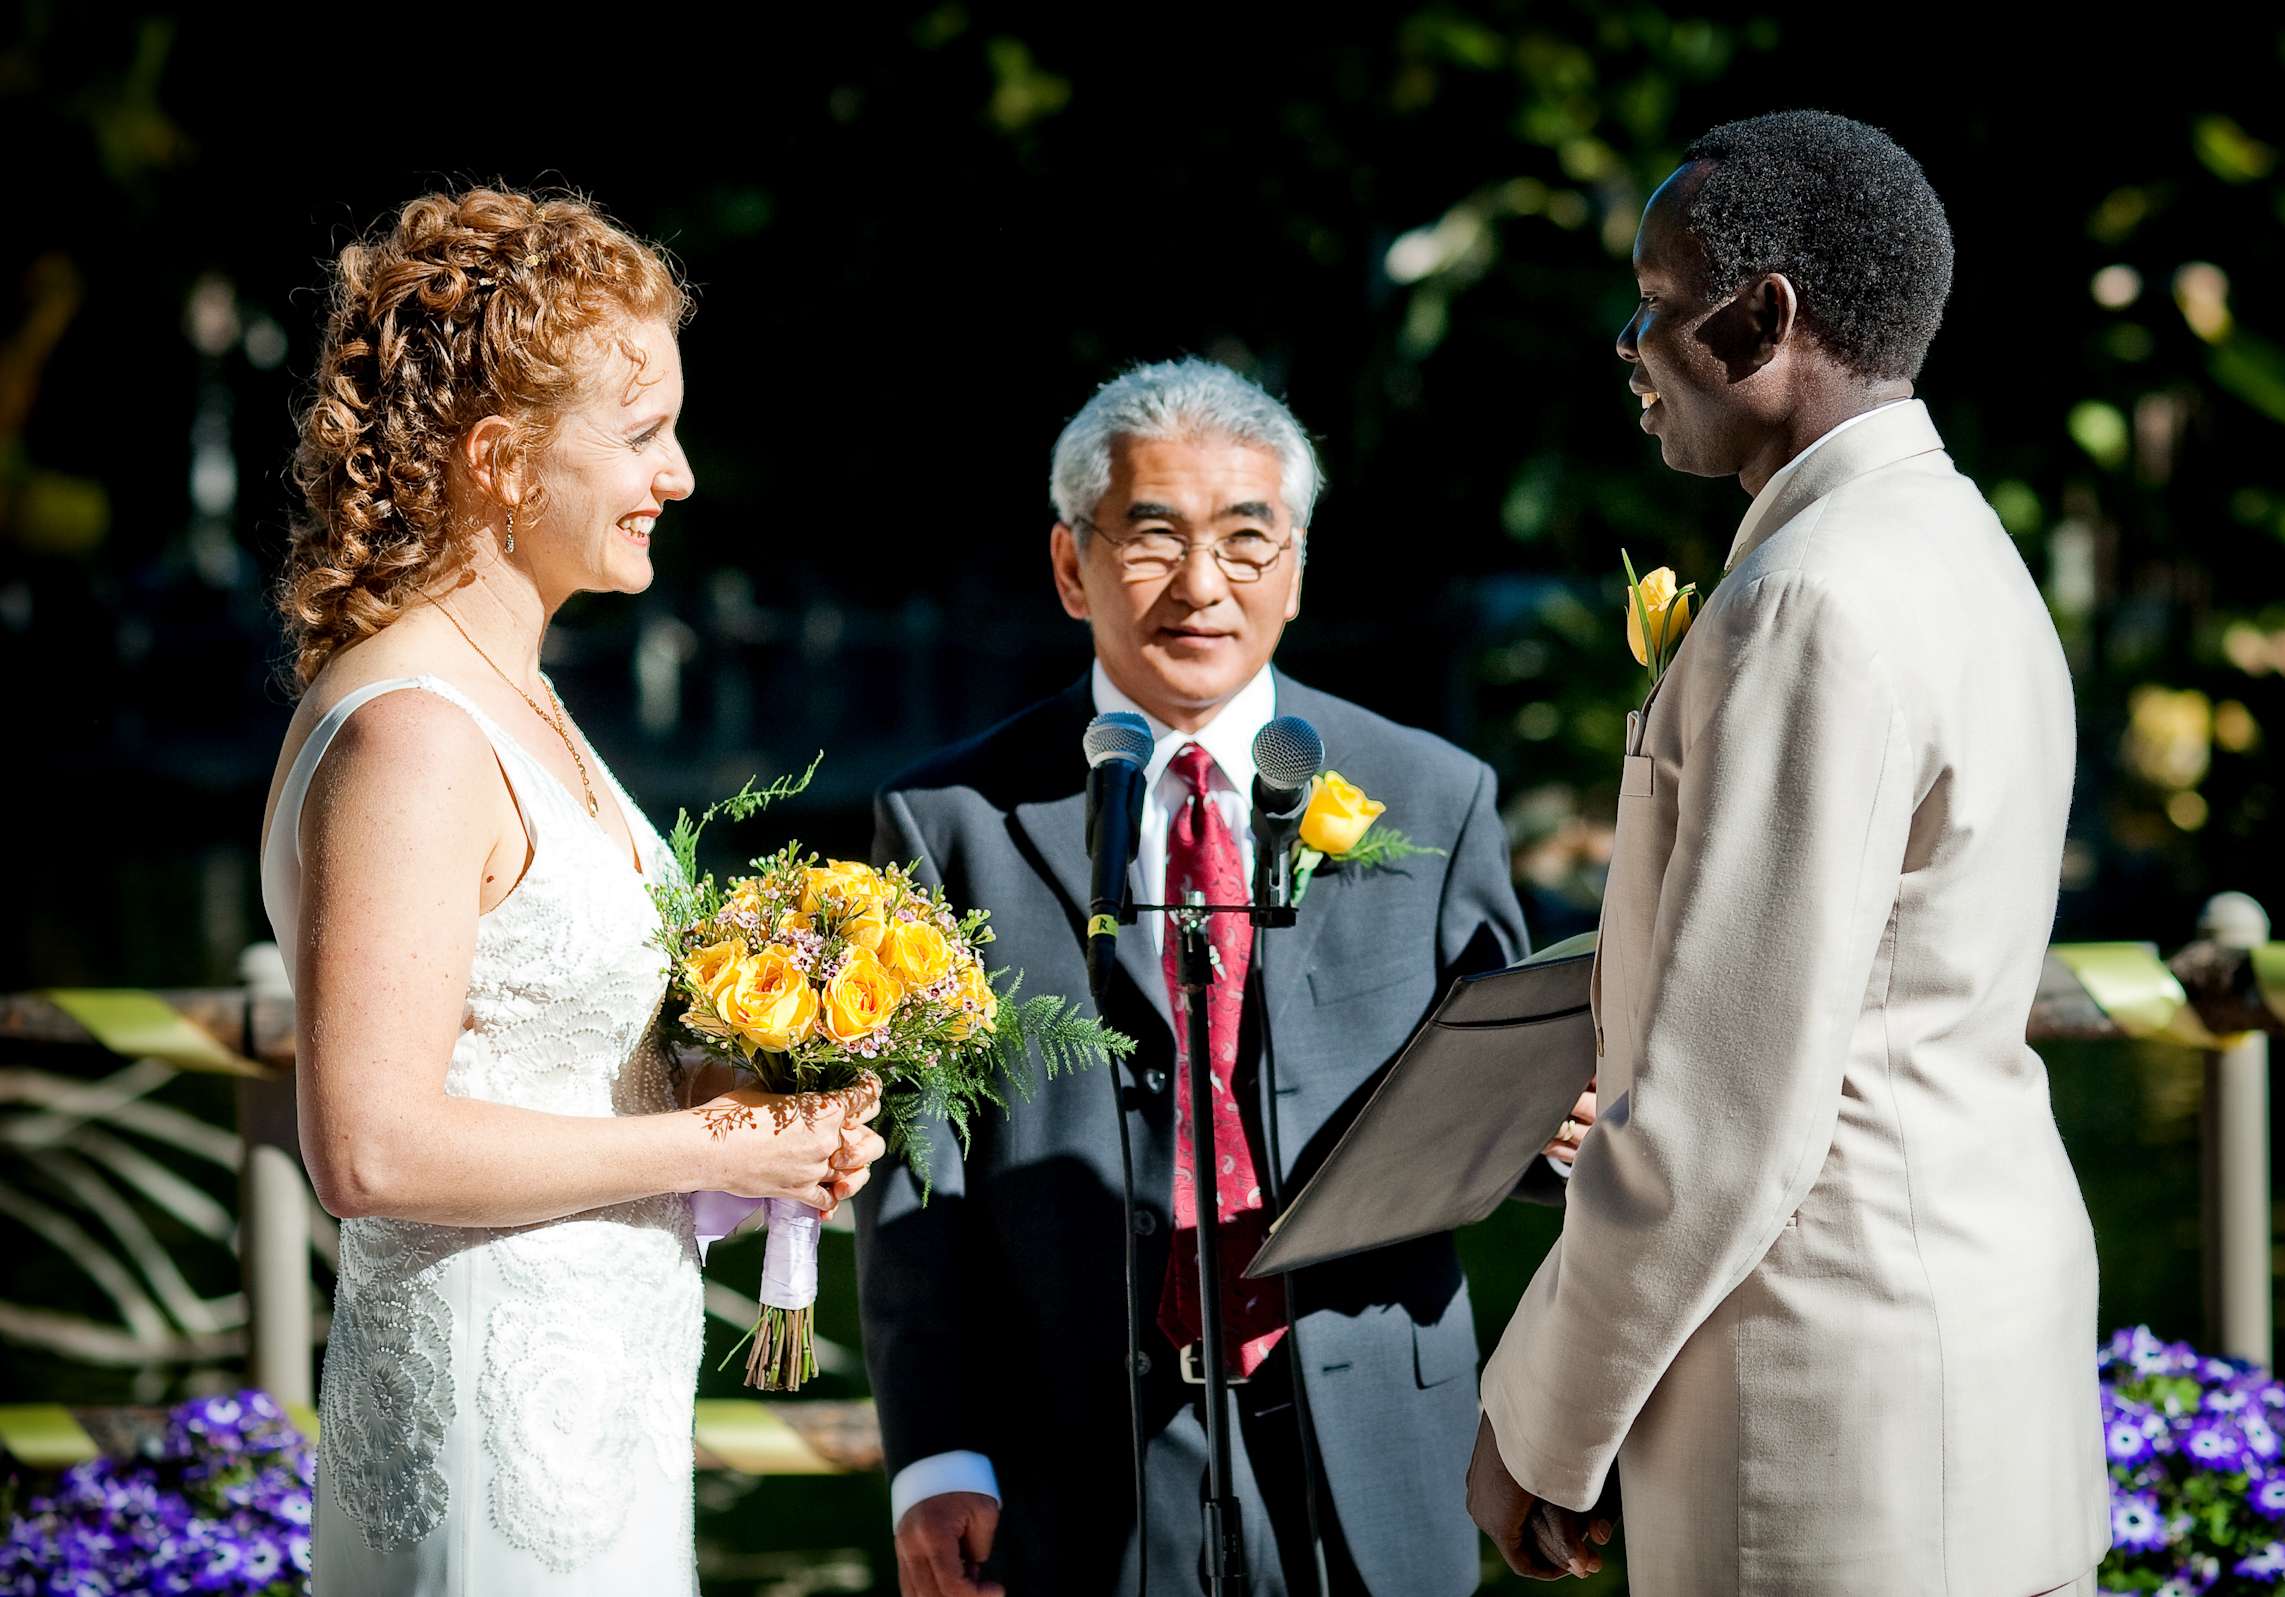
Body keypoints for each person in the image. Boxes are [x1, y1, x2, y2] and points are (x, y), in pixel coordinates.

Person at [1468, 112, 2110, 1596]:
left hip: (1828, 1410)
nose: (1627, 341)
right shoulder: (1959, 544)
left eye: (1654, 296)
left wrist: (1542, 1422)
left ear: (1765, 318)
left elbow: (1721, 1117)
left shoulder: (1811, 598)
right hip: (1971, 1356)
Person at [258, 186, 884, 1594]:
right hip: (489, 1426)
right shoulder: (416, 731)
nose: (681, 475)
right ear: (503, 460)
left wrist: (761, 1102)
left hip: (593, 1408)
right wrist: (716, 1144)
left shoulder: (512, 694)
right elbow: (369, 1148)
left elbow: (544, 1062)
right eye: (643, 433)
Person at [856, 358, 1548, 1596]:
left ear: (1296, 562)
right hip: (1069, 1451)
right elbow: (920, 1170)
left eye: (1246, 538)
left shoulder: (1437, 795)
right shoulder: (949, 821)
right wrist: (936, 1450)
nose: (1201, 585)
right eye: (1154, 537)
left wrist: (1559, 1134)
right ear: (1072, 565)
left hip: (1377, 1440)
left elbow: (1507, 1097)